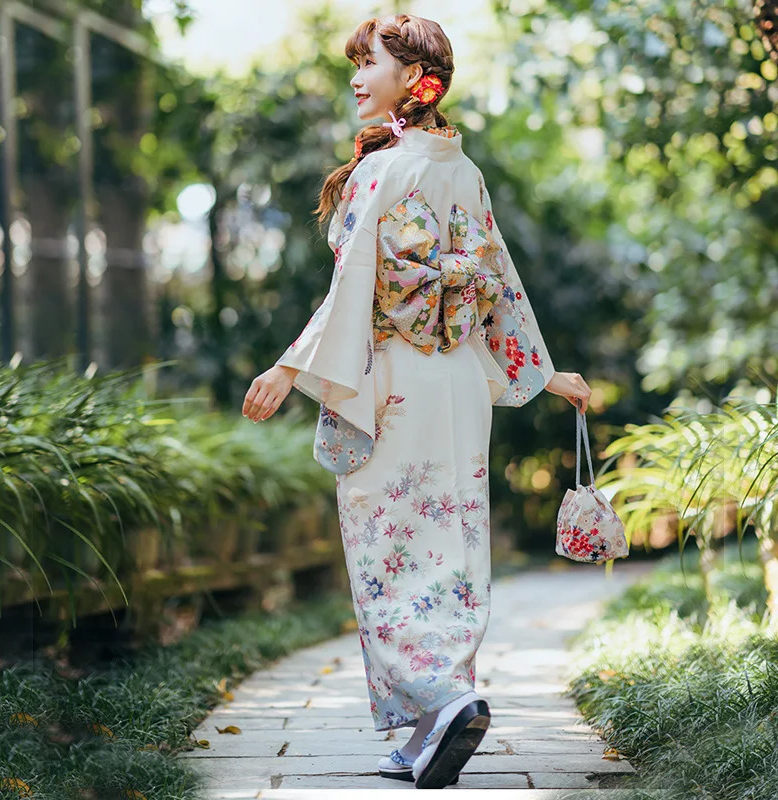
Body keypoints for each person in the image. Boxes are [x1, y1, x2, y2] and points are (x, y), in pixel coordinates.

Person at [242, 13, 593, 790]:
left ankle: (441, 704)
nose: (358, 78)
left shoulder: (383, 172)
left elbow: (350, 290)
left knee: (388, 549)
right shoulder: (461, 170)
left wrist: (287, 368)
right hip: (458, 379)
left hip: (394, 379)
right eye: (356, 65)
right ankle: (439, 718)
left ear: (415, 79)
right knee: (453, 542)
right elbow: (500, 283)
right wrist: (544, 372)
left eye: (370, 63)